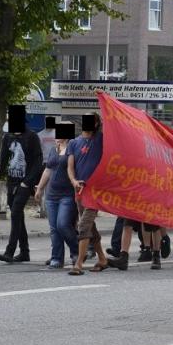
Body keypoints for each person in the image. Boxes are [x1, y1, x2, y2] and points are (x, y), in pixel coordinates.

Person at [0, 106, 43, 263]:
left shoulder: (31, 137)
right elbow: (2, 160)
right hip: (11, 181)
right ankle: (25, 252)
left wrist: (27, 183)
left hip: (25, 182)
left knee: (16, 212)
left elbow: (38, 162)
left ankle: (9, 251)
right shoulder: (8, 137)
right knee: (18, 216)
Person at [67, 111, 108, 275]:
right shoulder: (73, 143)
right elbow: (70, 167)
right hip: (80, 191)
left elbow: (112, 130)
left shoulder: (100, 140)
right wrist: (74, 181)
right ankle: (103, 259)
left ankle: (78, 264)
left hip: (95, 191)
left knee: (83, 226)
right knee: (92, 227)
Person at [34, 122, 78, 269]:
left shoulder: (73, 148)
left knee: (63, 225)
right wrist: (39, 188)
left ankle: (76, 250)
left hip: (67, 194)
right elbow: (48, 170)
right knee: (54, 228)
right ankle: (57, 258)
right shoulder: (54, 149)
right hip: (51, 195)